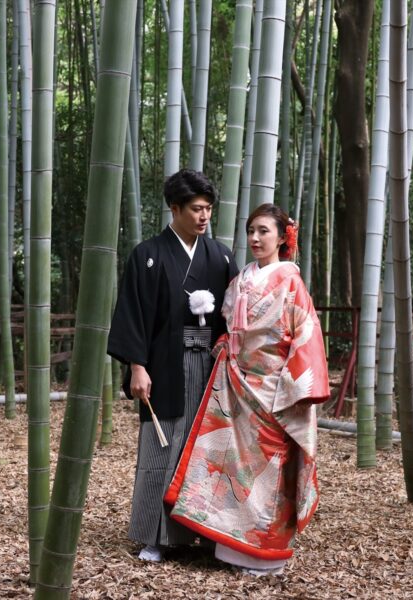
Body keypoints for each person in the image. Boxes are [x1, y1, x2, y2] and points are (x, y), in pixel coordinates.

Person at [164, 203, 330, 576]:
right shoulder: (240, 280)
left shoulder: (291, 282)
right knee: (231, 465)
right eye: (251, 231)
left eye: (263, 232)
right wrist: (225, 342)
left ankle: (265, 553)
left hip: (272, 388)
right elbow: (229, 326)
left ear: (282, 237)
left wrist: (298, 388)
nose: (255, 238)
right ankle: (231, 548)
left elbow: (306, 335)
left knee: (269, 469)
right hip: (235, 384)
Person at [108, 169, 239, 563]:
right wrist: (137, 366)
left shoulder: (221, 256)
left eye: (208, 210)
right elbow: (133, 316)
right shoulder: (147, 254)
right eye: (197, 209)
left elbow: (236, 315)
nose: (204, 217)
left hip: (213, 368)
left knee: (209, 448)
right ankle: (155, 536)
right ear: (175, 208)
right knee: (161, 447)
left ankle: (208, 535)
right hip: (165, 364)